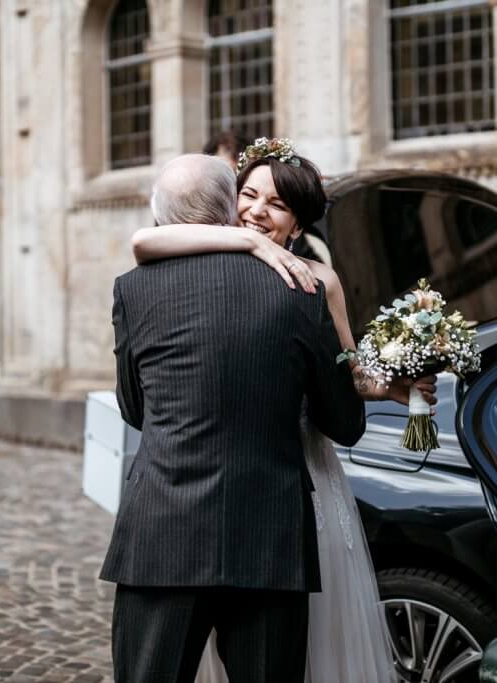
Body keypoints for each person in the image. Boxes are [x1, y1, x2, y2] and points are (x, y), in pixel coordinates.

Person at [130, 138, 438, 682]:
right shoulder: (201, 263)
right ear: (227, 204)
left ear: (297, 223)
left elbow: (340, 378)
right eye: (247, 195)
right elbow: (144, 241)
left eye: (275, 204)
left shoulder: (318, 285)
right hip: (261, 498)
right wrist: (250, 247)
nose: (255, 211)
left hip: (283, 479)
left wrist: (387, 386)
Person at [102, 154, 366, 682]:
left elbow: (134, 410)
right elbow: (345, 423)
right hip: (270, 537)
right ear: (230, 207)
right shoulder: (302, 289)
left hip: (163, 533)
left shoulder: (134, 288)